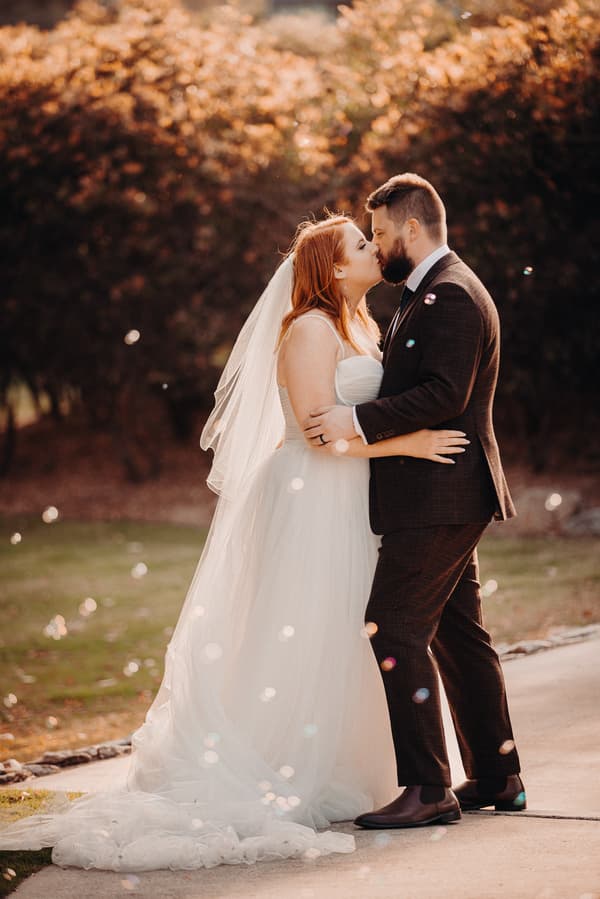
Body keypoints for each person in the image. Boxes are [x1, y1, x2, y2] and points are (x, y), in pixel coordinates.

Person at [0, 214, 467, 870]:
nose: (375, 249)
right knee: (306, 626)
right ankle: (286, 757)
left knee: (349, 629)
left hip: (353, 499)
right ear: (333, 268)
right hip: (313, 494)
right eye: (362, 245)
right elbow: (315, 435)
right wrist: (412, 443)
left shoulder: (361, 324)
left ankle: (354, 762)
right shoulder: (306, 329)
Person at [305, 175, 526, 829]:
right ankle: (499, 773)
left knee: (394, 624)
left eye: (378, 232)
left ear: (410, 228)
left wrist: (353, 420)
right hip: (442, 491)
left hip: (443, 491)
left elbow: (443, 394)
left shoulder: (451, 293)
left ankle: (428, 786)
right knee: (460, 633)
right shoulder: (425, 291)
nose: (376, 244)